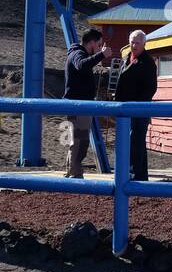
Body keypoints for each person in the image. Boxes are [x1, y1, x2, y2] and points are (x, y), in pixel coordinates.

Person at [113, 29, 158, 181]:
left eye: (137, 42)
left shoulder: (148, 62)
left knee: (136, 143)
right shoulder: (126, 58)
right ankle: (139, 175)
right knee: (131, 143)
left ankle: (135, 175)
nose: (134, 45)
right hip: (124, 108)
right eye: (132, 42)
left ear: (144, 44)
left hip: (138, 109)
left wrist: (137, 106)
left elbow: (151, 88)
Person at [63, 28, 107, 178]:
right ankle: (74, 174)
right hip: (78, 107)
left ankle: (72, 172)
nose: (100, 48)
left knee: (78, 141)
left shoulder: (77, 53)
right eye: (99, 45)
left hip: (80, 106)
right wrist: (101, 55)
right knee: (79, 142)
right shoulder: (78, 54)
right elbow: (82, 65)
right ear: (92, 43)